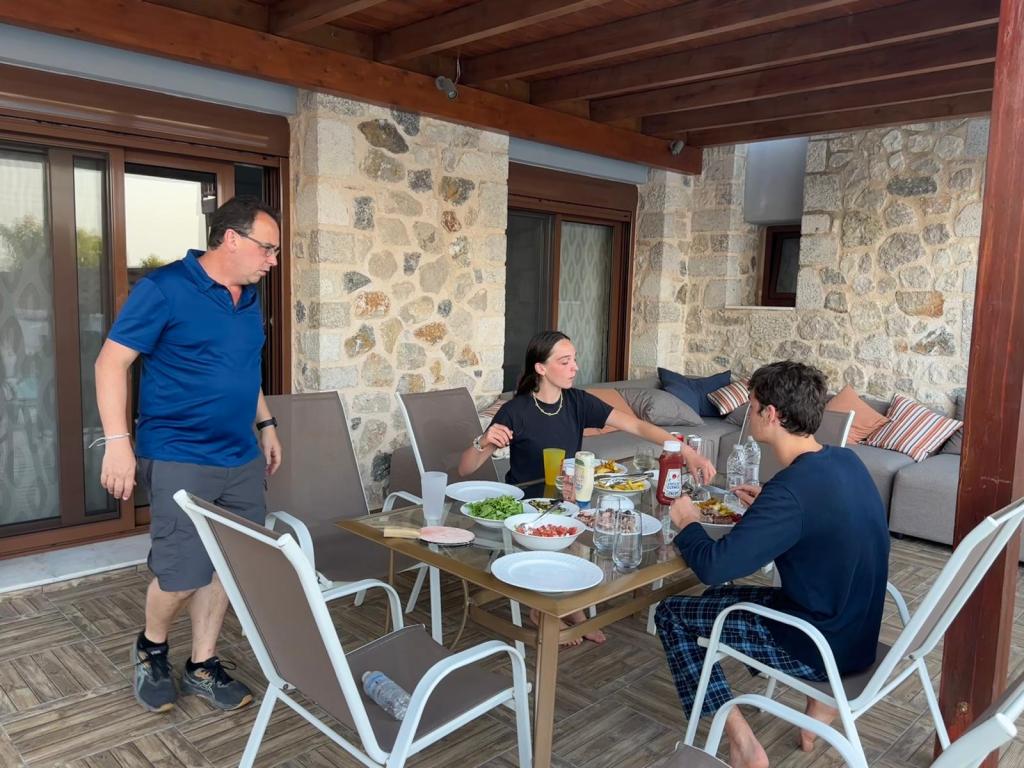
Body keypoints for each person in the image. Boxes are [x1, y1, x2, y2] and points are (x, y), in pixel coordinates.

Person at [94, 197, 283, 714]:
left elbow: (244, 369)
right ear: (232, 239)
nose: (272, 260)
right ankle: (151, 647)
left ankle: (202, 664)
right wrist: (118, 443)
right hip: (180, 452)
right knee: (181, 574)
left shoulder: (248, 299)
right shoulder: (164, 288)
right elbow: (111, 364)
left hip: (240, 456)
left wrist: (265, 424)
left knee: (227, 565)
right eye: (267, 249)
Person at [654, 361, 889, 768]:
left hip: (816, 644)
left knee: (673, 614)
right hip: (856, 632)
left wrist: (688, 522)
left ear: (772, 414)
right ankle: (821, 703)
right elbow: (820, 516)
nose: (749, 412)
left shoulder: (791, 491)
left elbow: (714, 567)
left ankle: (741, 742)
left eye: (752, 404)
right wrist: (769, 503)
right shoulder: (844, 461)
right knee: (712, 603)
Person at [459, 330, 717, 644]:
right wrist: (482, 440)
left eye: (575, 360)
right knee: (578, 528)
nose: (575, 367)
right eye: (565, 361)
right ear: (541, 368)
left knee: (615, 519)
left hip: (568, 500)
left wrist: (686, 451)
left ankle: (571, 606)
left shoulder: (576, 402)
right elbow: (466, 468)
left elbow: (636, 425)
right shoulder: (516, 411)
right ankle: (547, 610)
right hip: (528, 508)